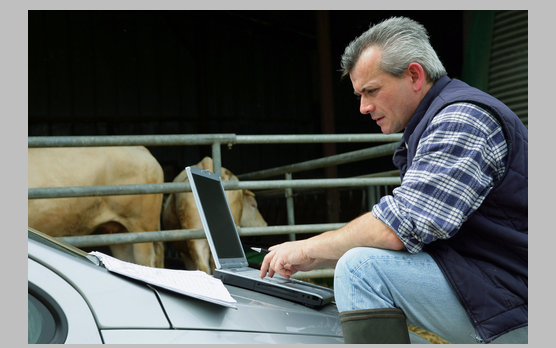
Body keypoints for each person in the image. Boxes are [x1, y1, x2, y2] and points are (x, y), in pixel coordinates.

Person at [259, 16, 527, 344]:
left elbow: (397, 229)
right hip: (489, 282)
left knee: (360, 270)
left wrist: (307, 247)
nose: (363, 107)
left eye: (371, 90)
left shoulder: (461, 120)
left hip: (517, 298)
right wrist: (315, 257)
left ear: (414, 75)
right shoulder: (434, 120)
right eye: (359, 94)